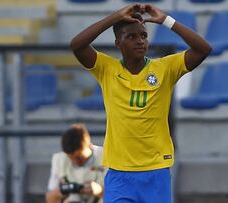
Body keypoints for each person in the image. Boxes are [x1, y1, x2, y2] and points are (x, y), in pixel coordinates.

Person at [70, 3, 211, 203]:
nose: (140, 41)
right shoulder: (106, 69)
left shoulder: (165, 68)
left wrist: (166, 21)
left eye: (144, 36)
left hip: (155, 172)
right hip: (119, 174)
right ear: (118, 42)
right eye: (132, 36)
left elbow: (203, 49)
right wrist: (115, 17)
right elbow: (77, 45)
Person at [46, 124, 105, 203]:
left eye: (79, 157)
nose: (75, 161)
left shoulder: (105, 157)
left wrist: (99, 191)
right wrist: (64, 190)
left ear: (89, 146)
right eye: (71, 158)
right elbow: (50, 199)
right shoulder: (60, 160)